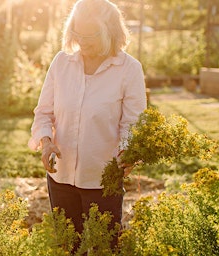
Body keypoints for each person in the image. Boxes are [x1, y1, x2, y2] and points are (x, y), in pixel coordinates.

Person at [27, 0, 147, 250]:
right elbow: (43, 113)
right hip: (61, 178)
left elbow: (132, 124)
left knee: (105, 247)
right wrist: (46, 142)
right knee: (67, 247)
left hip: (103, 181)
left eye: (90, 35)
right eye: (77, 33)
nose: (82, 41)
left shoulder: (129, 70)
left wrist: (127, 153)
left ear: (110, 31)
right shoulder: (62, 63)